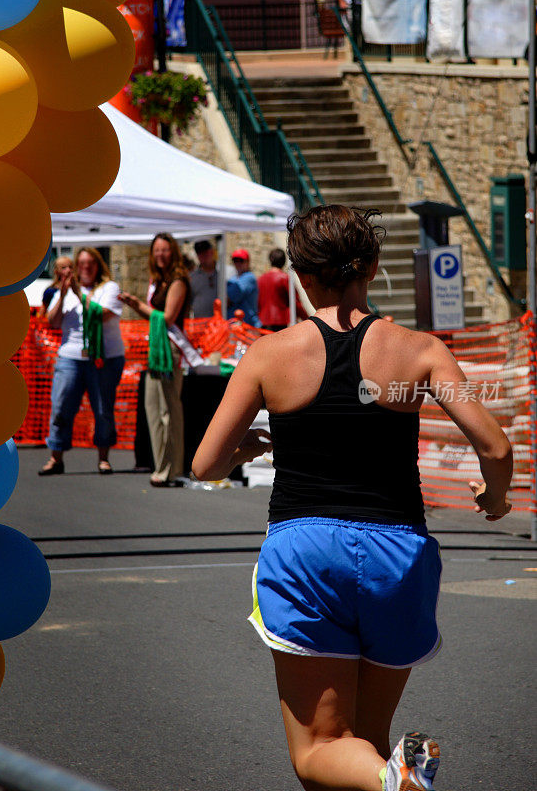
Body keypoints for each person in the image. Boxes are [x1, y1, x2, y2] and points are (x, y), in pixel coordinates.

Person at [192, 205, 512, 791]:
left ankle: (402, 779)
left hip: (306, 549)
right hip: (398, 554)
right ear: (370, 268)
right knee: (363, 744)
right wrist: (493, 500)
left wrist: (248, 451)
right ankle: (399, 774)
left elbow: (205, 462)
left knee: (319, 751)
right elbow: (494, 446)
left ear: (303, 276)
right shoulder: (420, 350)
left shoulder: (269, 353)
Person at [39, 247, 125, 476]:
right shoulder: (65, 290)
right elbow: (53, 321)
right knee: (61, 406)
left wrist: (78, 294)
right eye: (82, 263)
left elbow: (103, 313)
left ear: (98, 265)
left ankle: (103, 459)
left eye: (91, 262)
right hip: (70, 357)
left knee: (102, 408)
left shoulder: (109, 288)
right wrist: (65, 291)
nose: (86, 267)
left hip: (103, 358)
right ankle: (56, 456)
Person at [120, 233, 191, 488]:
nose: (160, 254)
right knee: (153, 409)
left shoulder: (178, 281)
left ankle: (172, 469)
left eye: (164, 250)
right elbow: (154, 316)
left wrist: (139, 303)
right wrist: (134, 304)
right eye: (156, 250)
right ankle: (160, 466)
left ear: (173, 252)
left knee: (169, 411)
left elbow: (168, 317)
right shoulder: (159, 281)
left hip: (169, 351)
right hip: (156, 350)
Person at [257, 247, 309, 331]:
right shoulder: (285, 278)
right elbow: (295, 302)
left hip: (263, 321)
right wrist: (307, 319)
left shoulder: (260, 279)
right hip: (280, 322)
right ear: (283, 261)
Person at [227, 248, 261, 327]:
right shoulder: (233, 278)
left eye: (241, 260)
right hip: (235, 325)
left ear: (247, 262)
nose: (238, 263)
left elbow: (230, 297)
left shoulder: (249, 277)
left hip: (248, 325)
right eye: (235, 260)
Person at [189, 240, 219, 318]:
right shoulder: (192, 277)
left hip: (221, 323)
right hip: (200, 324)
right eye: (199, 253)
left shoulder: (224, 273)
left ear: (212, 252)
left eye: (205, 251)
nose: (203, 255)